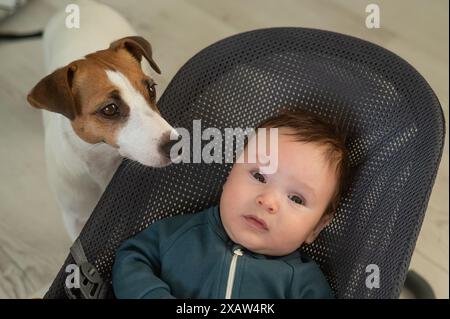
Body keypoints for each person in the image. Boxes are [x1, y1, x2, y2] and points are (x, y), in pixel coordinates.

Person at [112, 109, 350, 298]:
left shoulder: (303, 283)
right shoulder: (177, 235)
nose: (268, 201)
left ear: (316, 227)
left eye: (296, 198)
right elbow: (131, 258)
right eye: (258, 176)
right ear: (229, 176)